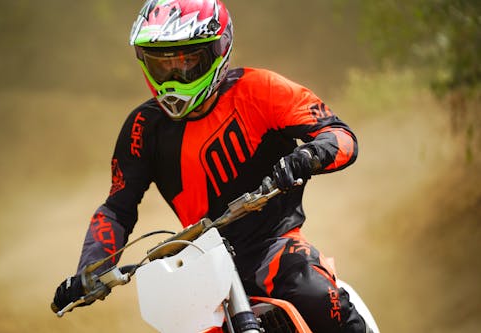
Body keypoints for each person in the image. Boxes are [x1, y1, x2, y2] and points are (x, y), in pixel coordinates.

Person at [52, 0, 369, 332]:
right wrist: (90, 270)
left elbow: (341, 136)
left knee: (317, 296)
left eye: (188, 61)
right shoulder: (142, 128)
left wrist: (307, 157)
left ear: (218, 51)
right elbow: (117, 207)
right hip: (200, 262)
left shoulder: (261, 90)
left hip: (273, 245)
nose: (175, 74)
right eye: (163, 65)